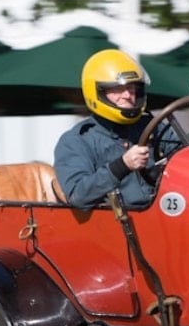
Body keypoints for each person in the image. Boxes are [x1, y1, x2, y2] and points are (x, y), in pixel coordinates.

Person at [55, 49, 165, 209]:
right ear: (97, 92)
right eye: (118, 89)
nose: (128, 95)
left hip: (168, 214)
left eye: (132, 88)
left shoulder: (153, 126)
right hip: (115, 227)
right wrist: (122, 165)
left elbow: (186, 152)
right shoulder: (76, 140)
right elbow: (78, 195)